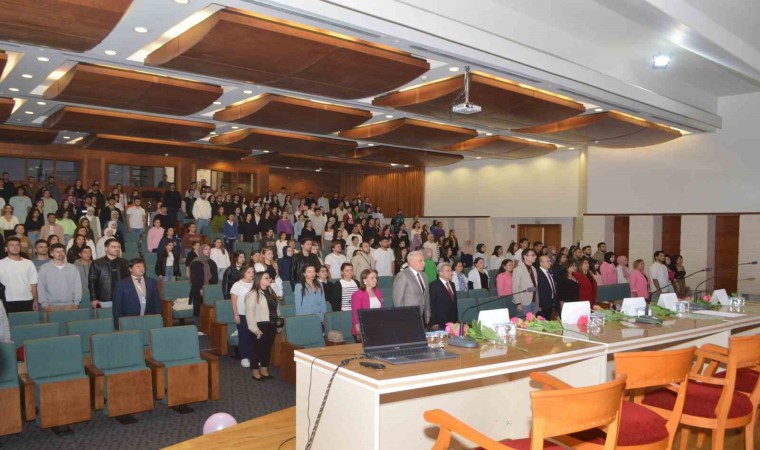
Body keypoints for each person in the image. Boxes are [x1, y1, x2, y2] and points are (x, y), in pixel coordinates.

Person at [245, 271, 281, 381]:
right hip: (259, 325)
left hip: (271, 324)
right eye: (266, 278)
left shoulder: (271, 292)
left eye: (269, 278)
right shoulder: (253, 294)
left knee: (267, 349)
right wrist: (254, 329)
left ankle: (264, 370)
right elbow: (249, 313)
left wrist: (279, 321)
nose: (269, 279)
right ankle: (255, 371)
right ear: (259, 280)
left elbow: (276, 309)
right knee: (256, 349)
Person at [112, 258, 161, 329]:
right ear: (130, 269)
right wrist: (118, 325)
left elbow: (156, 302)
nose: (141, 268)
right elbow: (117, 306)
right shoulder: (121, 284)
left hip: (148, 319)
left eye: (143, 266)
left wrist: (157, 318)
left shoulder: (152, 282)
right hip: (129, 320)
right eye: (138, 266)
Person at [0, 237, 38, 312]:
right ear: (6, 248)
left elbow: (33, 283)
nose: (15, 247)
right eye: (12, 245)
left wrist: (35, 300)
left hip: (27, 299)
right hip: (8, 300)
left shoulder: (29, 263)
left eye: (17, 245)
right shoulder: (1, 263)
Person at [89, 238, 129, 309]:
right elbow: (92, 282)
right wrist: (93, 298)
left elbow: (128, 280)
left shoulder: (124, 262)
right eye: (113, 247)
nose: (117, 249)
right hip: (104, 299)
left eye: (118, 247)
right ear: (106, 249)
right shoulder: (97, 263)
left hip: (122, 298)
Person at [392, 251, 431, 324]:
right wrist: (401, 318)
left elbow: (427, 297)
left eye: (423, 260)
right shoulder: (402, 275)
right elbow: (398, 301)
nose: (424, 263)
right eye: (420, 261)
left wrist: (427, 313)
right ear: (412, 262)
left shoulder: (424, 276)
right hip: (408, 317)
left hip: (422, 315)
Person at [231, 265, 255, 369]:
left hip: (254, 314)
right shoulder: (237, 285)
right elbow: (234, 302)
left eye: (252, 272)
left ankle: (253, 357)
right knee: (244, 336)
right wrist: (236, 315)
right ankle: (244, 357)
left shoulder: (255, 284)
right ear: (243, 273)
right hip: (242, 314)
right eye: (249, 272)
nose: (251, 274)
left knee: (253, 336)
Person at [350, 268, 383, 340]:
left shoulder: (377, 291)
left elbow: (382, 310)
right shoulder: (357, 294)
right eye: (372, 278)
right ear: (364, 280)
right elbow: (356, 314)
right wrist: (359, 331)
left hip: (377, 326)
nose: (375, 280)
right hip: (364, 328)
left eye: (376, 278)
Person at [189, 244, 218, 318]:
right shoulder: (195, 262)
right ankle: (197, 324)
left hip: (210, 289)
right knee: (198, 309)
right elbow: (194, 279)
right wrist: (200, 289)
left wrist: (212, 288)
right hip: (198, 289)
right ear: (201, 250)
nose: (208, 251)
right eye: (205, 249)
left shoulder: (212, 262)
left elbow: (215, 278)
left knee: (210, 309)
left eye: (209, 249)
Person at [428, 262, 458, 330]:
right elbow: (431, 305)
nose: (451, 273)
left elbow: (454, 303)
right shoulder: (433, 285)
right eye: (448, 271)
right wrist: (434, 322)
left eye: (451, 271)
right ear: (440, 273)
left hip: (452, 320)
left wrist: (456, 319)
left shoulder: (452, 284)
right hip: (440, 322)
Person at [512, 249, 538, 315]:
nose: (535, 257)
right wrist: (518, 303)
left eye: (535, 255)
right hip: (523, 302)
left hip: (534, 301)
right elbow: (515, 288)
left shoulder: (533, 269)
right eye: (533, 255)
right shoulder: (518, 269)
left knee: (533, 321)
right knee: (523, 321)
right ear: (525, 256)